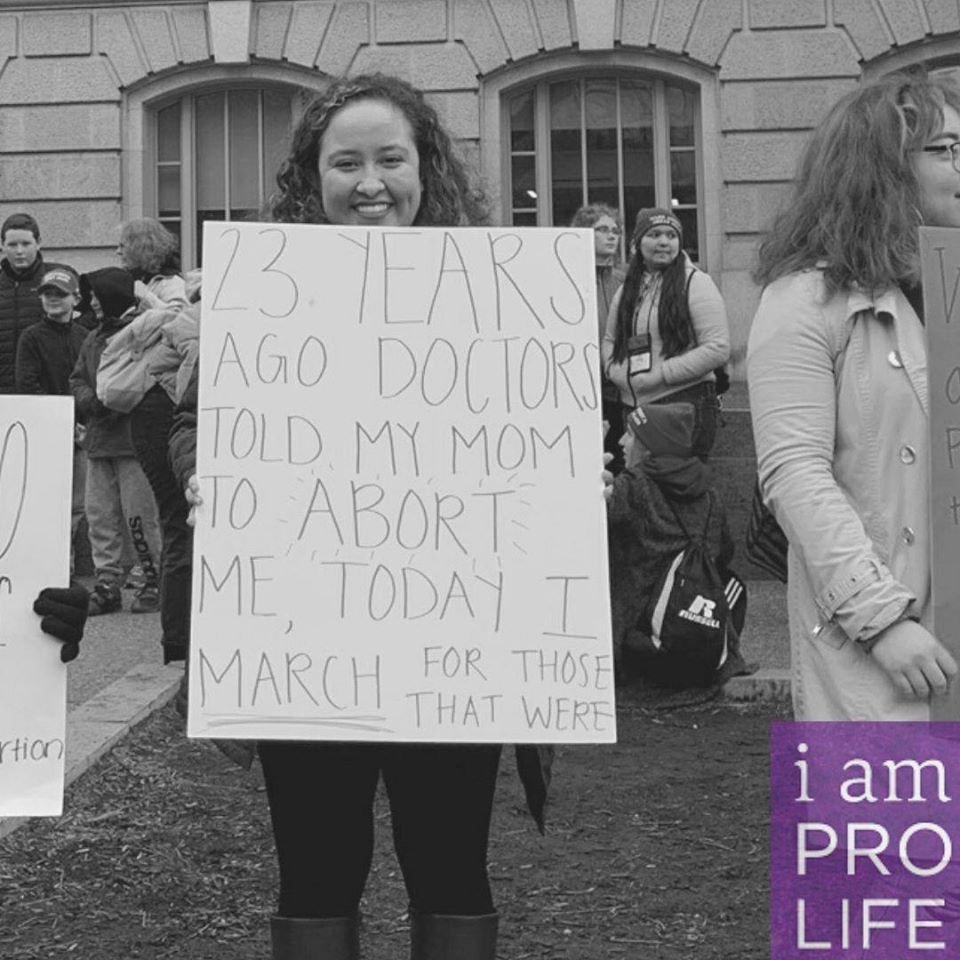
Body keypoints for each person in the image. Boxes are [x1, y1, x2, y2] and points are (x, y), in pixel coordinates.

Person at [179, 73, 547, 960]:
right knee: (316, 870)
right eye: (346, 162)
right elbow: (191, 421)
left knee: (452, 866)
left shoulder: (500, 295)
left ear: (427, 169)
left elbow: (539, 436)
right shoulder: (261, 295)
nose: (370, 182)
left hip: (453, 639)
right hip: (308, 637)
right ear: (313, 177)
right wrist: (205, 473)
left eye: (391, 158)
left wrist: (568, 485)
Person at [747, 71, 960, 721]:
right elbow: (795, 474)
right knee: (889, 792)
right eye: (945, 149)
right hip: (888, 644)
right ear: (884, 167)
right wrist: (881, 620)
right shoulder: (803, 300)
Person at [98, 219, 193, 663]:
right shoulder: (152, 290)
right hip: (158, 408)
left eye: (123, 245)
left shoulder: (162, 289)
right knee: (176, 523)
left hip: (152, 409)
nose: (118, 251)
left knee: (173, 522)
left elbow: (172, 327)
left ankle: (177, 638)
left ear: (141, 247)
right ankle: (177, 639)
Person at [604, 402, 752, 685]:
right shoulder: (709, 494)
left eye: (631, 435)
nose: (622, 441)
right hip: (697, 645)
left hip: (635, 650)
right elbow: (724, 552)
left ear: (648, 447)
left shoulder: (633, 488)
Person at [601, 208, 730, 460]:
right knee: (642, 481)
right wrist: (615, 372)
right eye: (654, 234)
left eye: (671, 235)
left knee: (677, 481)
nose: (663, 242)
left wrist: (660, 375)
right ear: (637, 243)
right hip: (634, 407)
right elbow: (610, 340)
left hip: (683, 403)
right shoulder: (627, 288)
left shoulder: (697, 282)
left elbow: (717, 347)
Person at [70, 267, 162, 617]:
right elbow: (77, 378)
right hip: (99, 442)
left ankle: (152, 578)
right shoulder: (93, 338)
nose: (91, 301)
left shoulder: (140, 332)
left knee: (139, 517)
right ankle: (107, 583)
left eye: (96, 295)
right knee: (100, 517)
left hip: (131, 442)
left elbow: (147, 379)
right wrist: (92, 402)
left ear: (112, 296)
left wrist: (112, 400)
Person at [14, 267, 90, 570]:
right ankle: (52, 565)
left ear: (76, 298)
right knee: (47, 502)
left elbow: (93, 382)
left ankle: (66, 564)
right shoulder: (31, 337)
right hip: (46, 431)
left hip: (82, 433)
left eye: (60, 294)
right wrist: (61, 422)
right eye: (47, 293)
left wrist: (85, 423)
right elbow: (27, 384)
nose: (53, 299)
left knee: (78, 505)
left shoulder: (85, 336)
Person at [0, 213, 86, 394]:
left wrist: (66, 336)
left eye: (26, 244)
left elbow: (93, 312)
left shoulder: (60, 276)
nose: (19, 251)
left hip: (51, 391)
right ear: (2, 246)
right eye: (12, 245)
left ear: (38, 243)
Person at [571, 203, 628, 471]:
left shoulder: (623, 281)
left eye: (615, 231)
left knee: (617, 461)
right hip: (580, 388)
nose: (611, 236)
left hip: (617, 387)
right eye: (602, 230)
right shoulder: (570, 278)